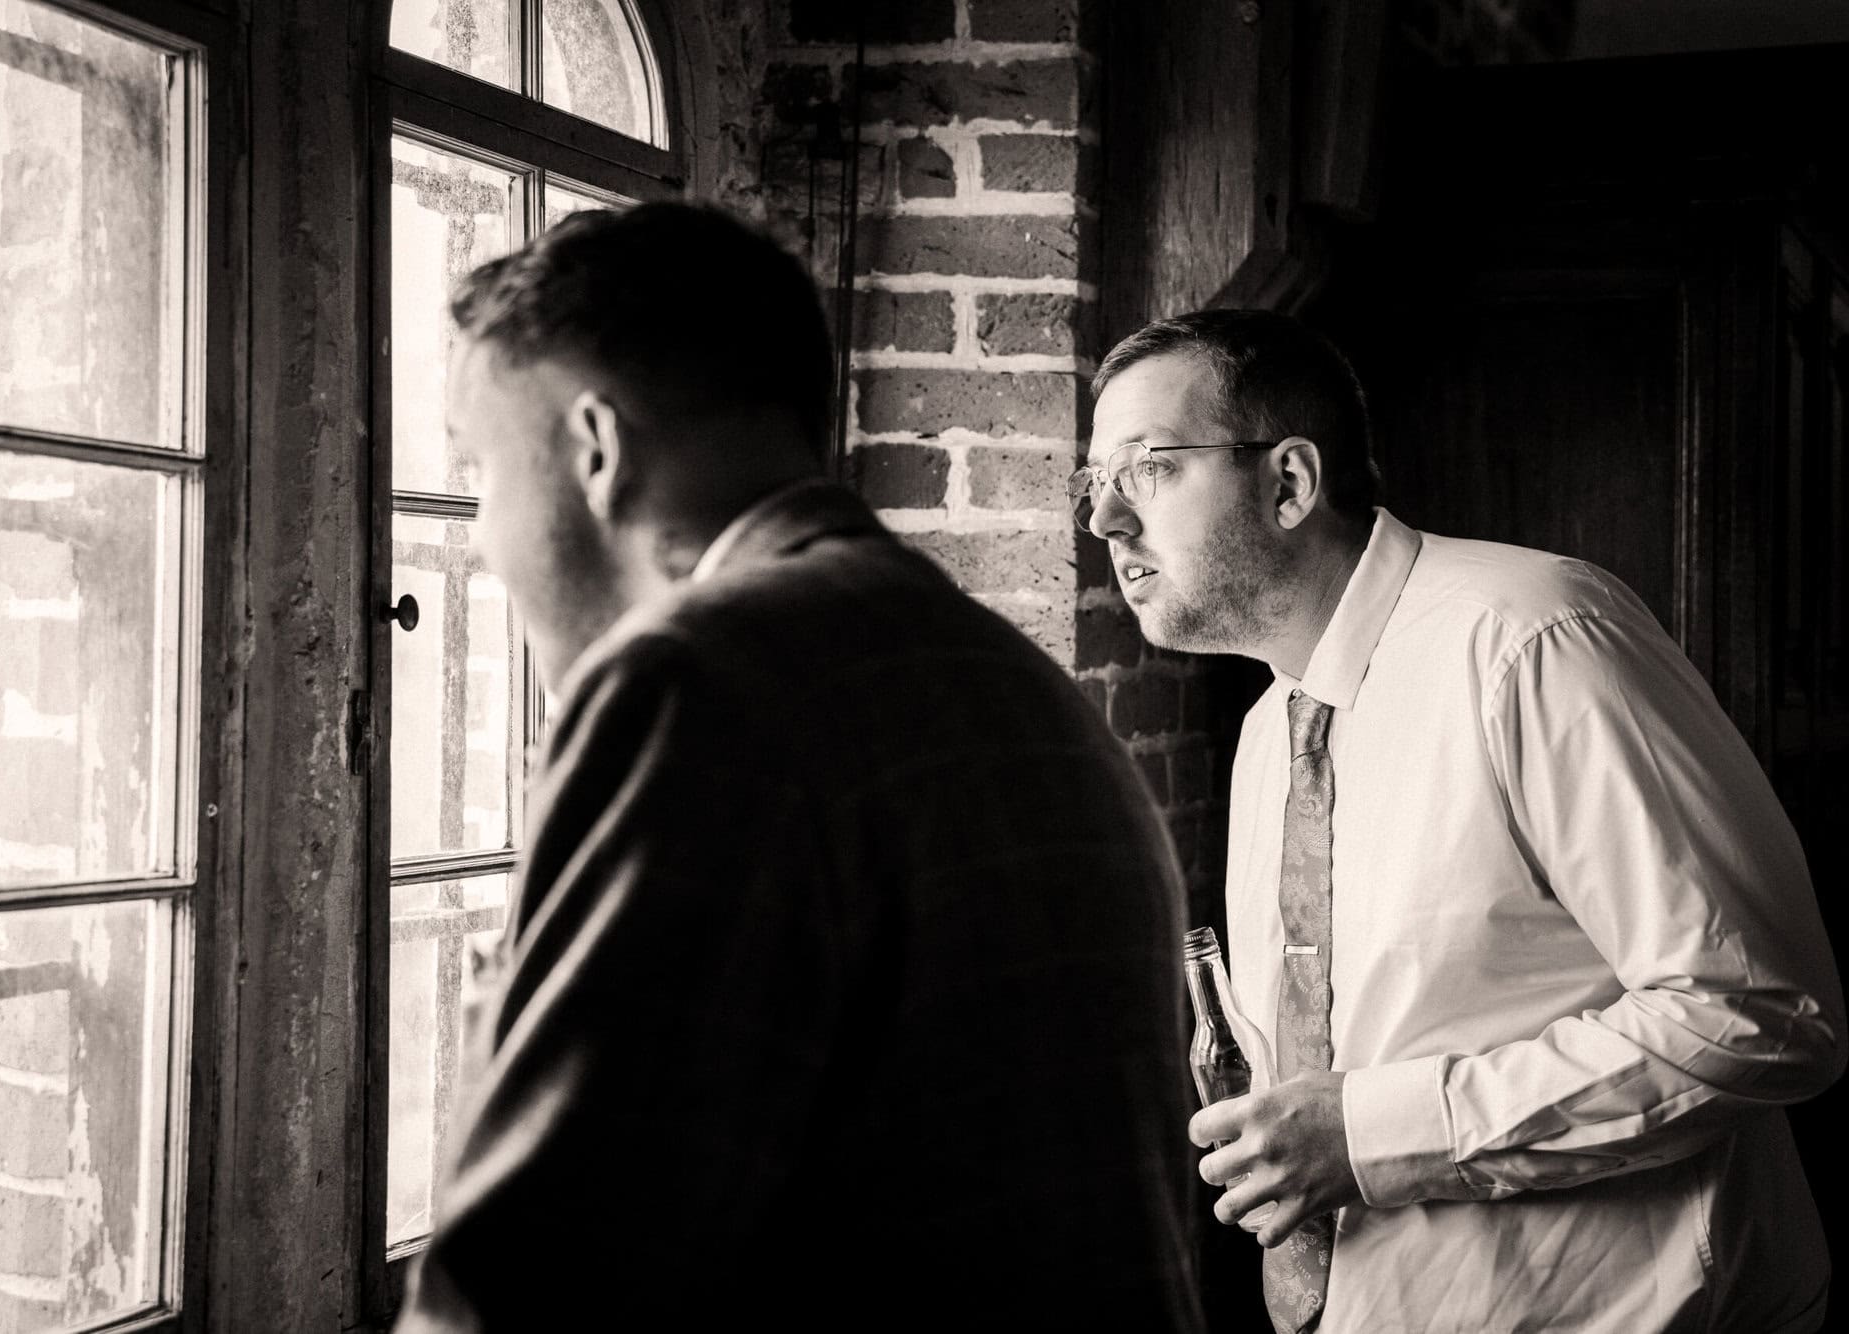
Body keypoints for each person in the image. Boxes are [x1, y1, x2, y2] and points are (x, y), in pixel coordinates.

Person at [391, 201, 1200, 1332]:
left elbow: (538, 1280)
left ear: (595, 450)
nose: (477, 533)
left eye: (481, 469)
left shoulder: (696, 685)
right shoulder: (1017, 682)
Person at [1078, 308, 1845, 1333]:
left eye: (1149, 469)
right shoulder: (1273, 726)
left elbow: (1761, 1013)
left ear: (1289, 481)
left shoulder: (1534, 636)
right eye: (1094, 483)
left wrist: (1367, 1133)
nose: (1103, 523)